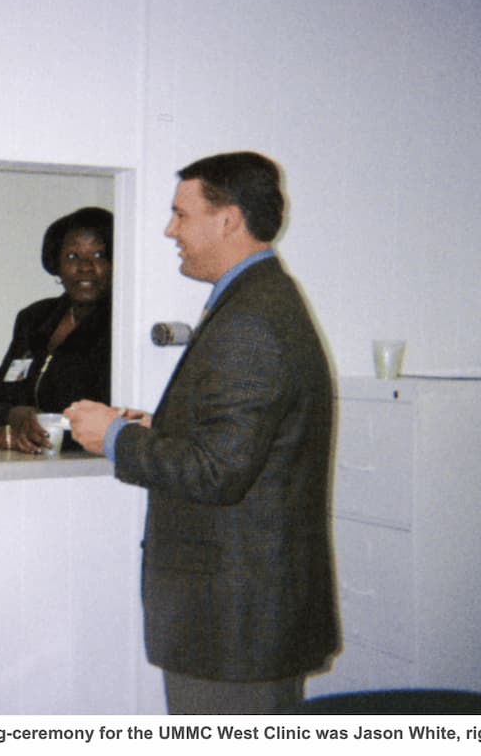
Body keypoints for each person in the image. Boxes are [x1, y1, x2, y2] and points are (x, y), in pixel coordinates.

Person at [65, 152, 339, 714]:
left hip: (234, 625)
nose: (170, 230)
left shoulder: (252, 320)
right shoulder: (254, 303)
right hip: (236, 617)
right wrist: (154, 427)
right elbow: (236, 442)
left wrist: (116, 437)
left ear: (228, 220)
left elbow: (217, 472)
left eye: (180, 215)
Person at [0, 207, 112, 454]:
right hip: (26, 468)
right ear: (56, 264)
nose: (85, 267)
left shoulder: (120, 327)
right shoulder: (34, 319)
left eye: (98, 255)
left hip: (89, 468)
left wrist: (11, 437)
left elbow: (110, 419)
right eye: (72, 257)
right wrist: (17, 415)